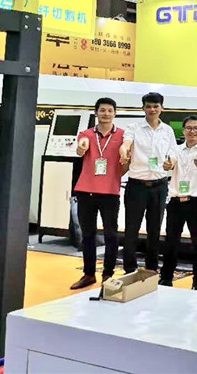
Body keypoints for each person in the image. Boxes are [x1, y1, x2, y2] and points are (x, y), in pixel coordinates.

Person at [70, 97, 126, 290]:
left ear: (115, 113)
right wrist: (81, 147)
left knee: (111, 234)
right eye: (102, 110)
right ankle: (88, 274)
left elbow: (125, 161)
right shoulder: (86, 134)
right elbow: (82, 145)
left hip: (110, 193)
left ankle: (108, 274)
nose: (106, 114)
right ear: (96, 113)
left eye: (110, 110)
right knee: (88, 235)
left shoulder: (123, 136)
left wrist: (115, 175)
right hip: (86, 192)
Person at [119, 92, 177, 274]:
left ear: (162, 108)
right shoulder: (134, 127)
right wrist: (124, 151)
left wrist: (171, 162)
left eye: (156, 106)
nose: (152, 109)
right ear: (143, 108)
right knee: (132, 229)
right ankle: (130, 268)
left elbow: (173, 152)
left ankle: (152, 268)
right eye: (149, 106)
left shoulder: (167, 130)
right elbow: (126, 143)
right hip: (137, 185)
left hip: (159, 186)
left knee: (154, 229)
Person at [160, 115, 197, 290]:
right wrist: (168, 164)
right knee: (171, 242)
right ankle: (166, 277)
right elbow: (171, 160)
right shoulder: (176, 149)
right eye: (188, 128)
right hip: (176, 201)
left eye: (196, 128)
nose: (192, 131)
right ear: (183, 130)